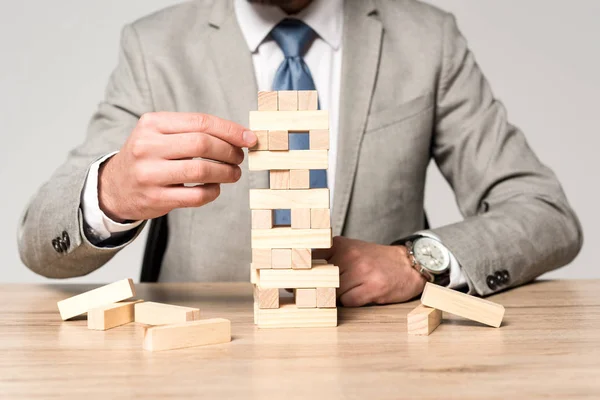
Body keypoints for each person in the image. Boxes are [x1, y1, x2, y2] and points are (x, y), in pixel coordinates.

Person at [17, 0, 582, 307]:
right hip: (206, 368)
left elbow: (544, 213)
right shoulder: (154, 46)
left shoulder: (427, 38)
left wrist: (418, 261)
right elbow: (40, 243)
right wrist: (111, 192)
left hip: (381, 365)